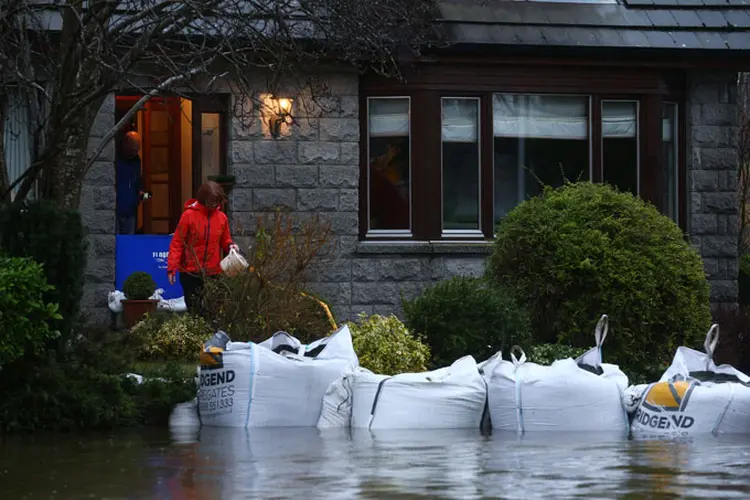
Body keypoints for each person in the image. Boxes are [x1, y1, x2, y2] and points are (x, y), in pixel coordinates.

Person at [167, 181, 239, 313]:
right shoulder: (188, 216)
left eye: (217, 202)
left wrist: (230, 246)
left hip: (213, 271)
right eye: (212, 202)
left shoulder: (222, 218)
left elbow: (225, 240)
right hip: (190, 271)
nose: (215, 205)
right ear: (204, 199)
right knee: (195, 308)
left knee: (212, 308)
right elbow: (177, 243)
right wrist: (172, 268)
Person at [116, 131, 144, 234]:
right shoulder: (115, 158)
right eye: (132, 150)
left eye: (137, 150)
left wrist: (140, 191)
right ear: (125, 144)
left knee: (129, 240)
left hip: (130, 209)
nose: (134, 153)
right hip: (115, 208)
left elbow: (137, 179)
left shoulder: (136, 160)